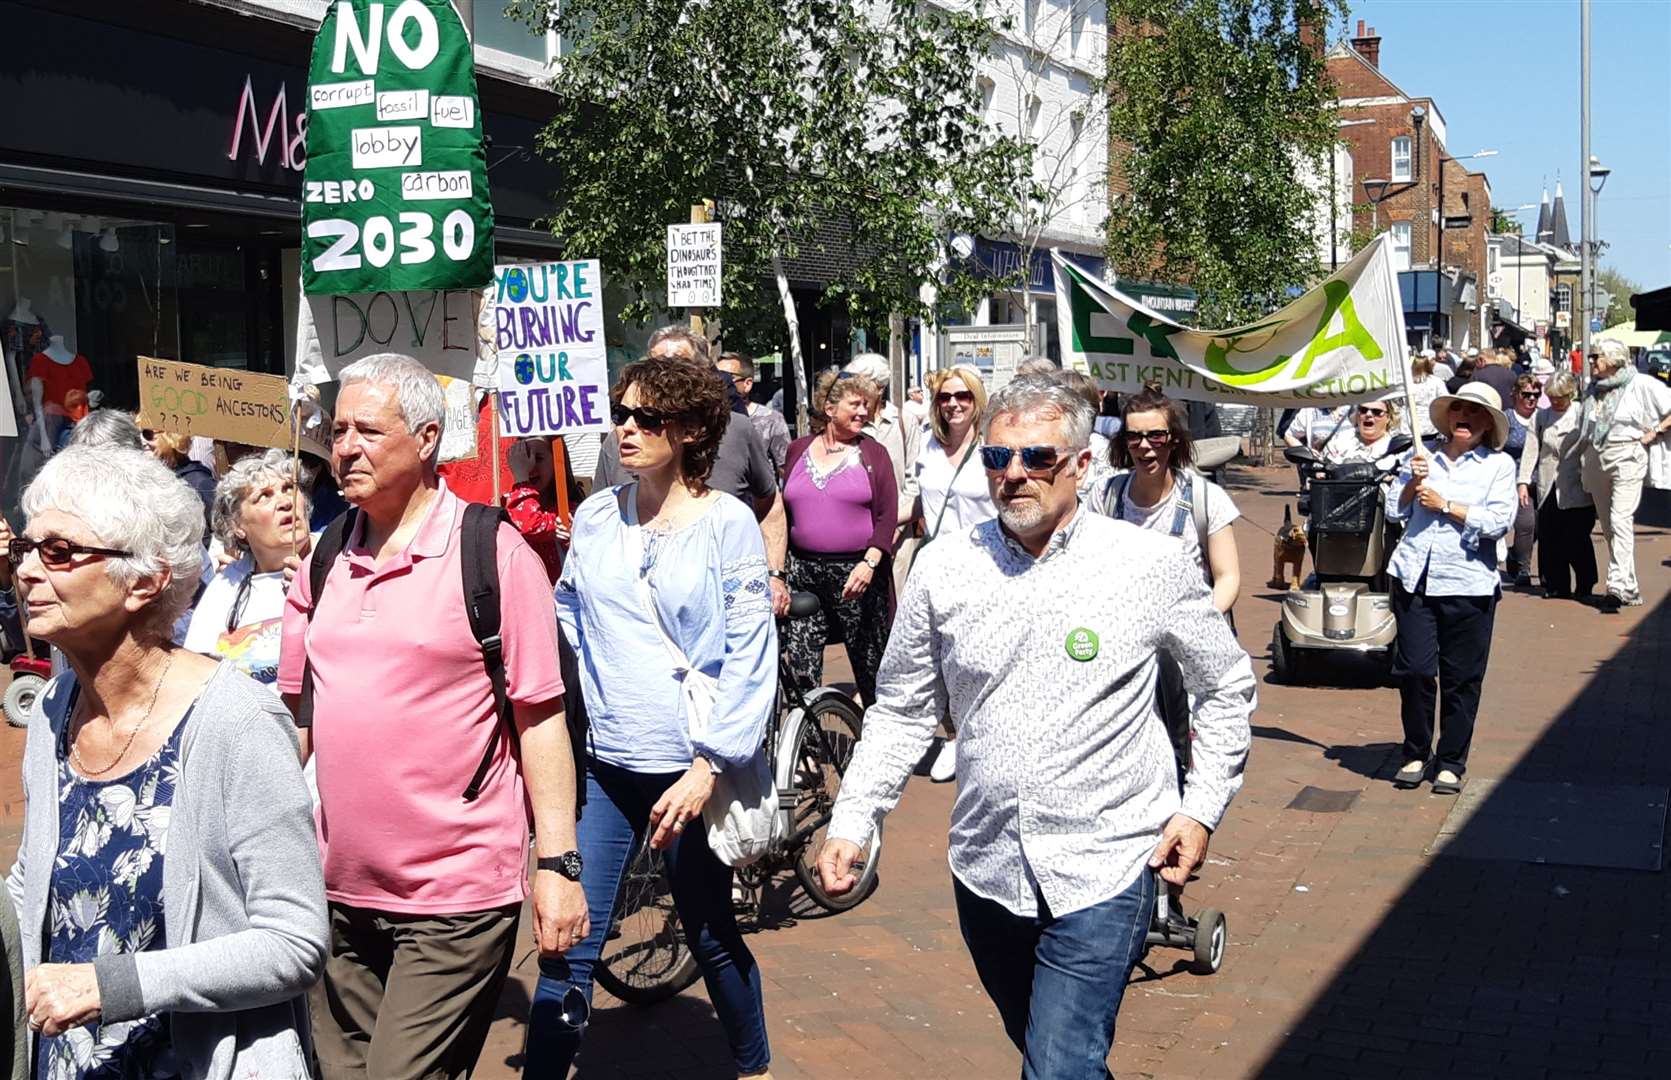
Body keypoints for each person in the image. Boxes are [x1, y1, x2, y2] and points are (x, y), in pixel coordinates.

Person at [817, 376, 1254, 1080]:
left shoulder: (1148, 563)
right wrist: (852, 819)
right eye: (996, 460)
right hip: (987, 867)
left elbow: (1225, 686)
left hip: (1110, 861)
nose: (1013, 474)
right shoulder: (944, 568)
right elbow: (900, 707)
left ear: (1082, 465)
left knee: (1056, 1067)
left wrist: (1200, 809)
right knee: (1053, 1054)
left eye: (1037, 457)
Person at [275, 353, 586, 1079]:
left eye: (366, 430)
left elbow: (541, 719)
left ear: (424, 438)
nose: (343, 445)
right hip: (336, 890)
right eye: (337, 428)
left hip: (455, 895)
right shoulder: (322, 557)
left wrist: (557, 865)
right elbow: (295, 718)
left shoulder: (493, 551)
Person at [6, 446, 326, 1079]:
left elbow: (295, 942)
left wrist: (113, 985)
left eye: (60, 552)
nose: (27, 573)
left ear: (145, 580)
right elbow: (33, 880)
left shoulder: (239, 723)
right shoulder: (53, 707)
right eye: (26, 548)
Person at [533, 354, 778, 1078]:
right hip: (608, 765)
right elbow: (569, 606)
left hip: (687, 770)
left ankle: (752, 1063)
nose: (627, 429)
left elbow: (748, 650)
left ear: (692, 429)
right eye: (622, 413)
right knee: (568, 942)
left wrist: (709, 766)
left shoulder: (725, 523)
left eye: (648, 418)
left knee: (708, 935)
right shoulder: (601, 513)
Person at [1385, 383, 1517, 795]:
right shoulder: (1423, 456)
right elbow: (1394, 508)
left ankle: (1451, 761)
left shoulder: (1498, 466)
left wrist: (1446, 505)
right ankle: (1416, 751)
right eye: (1460, 409)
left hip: (1469, 583)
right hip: (1416, 577)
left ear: (1489, 426)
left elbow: (1497, 522)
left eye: (1477, 413)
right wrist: (1411, 483)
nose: (1466, 417)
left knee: (1462, 678)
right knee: (1416, 670)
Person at [774, 370, 898, 708]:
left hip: (857, 575)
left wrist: (870, 564)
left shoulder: (874, 454)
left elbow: (887, 517)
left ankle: (879, 739)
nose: (863, 412)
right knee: (800, 666)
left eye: (867, 406)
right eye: (855, 404)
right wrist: (779, 573)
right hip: (803, 572)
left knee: (871, 666)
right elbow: (783, 514)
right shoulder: (798, 449)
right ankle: (809, 746)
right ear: (829, 408)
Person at [906, 365, 993, 784]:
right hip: (936, 564)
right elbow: (921, 501)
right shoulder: (928, 445)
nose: (954, 404)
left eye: (962, 396)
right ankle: (955, 736)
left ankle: (980, 736)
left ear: (977, 401)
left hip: (984, 565)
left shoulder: (992, 447)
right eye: (945, 397)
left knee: (977, 656)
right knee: (937, 658)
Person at [1093, 388, 1241, 614]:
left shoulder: (1207, 499)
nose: (1144, 445)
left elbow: (1227, 577)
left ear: (1174, 440)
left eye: (1156, 436)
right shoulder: (1105, 496)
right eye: (1134, 437)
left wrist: (1199, 620)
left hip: (1190, 631)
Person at [185, 449, 310, 685]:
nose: (285, 502)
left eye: (289, 488)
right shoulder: (225, 585)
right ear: (237, 525)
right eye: (264, 496)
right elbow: (198, 670)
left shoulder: (338, 561)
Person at [1581, 339, 1671, 609]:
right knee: (1609, 525)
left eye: (1596, 356)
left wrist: (1654, 433)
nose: (1591, 361)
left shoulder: (1641, 384)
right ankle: (1629, 586)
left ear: (1613, 359)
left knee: (1621, 519)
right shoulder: (1593, 389)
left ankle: (1616, 586)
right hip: (1597, 455)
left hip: (1628, 454)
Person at [1518, 371, 1595, 599]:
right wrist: (1523, 481)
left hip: (1577, 482)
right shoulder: (1541, 417)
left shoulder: (1582, 414)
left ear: (1571, 393)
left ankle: (1585, 583)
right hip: (1548, 482)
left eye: (1559, 397)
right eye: (1551, 397)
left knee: (1577, 537)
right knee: (1551, 537)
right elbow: (1531, 450)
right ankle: (1556, 584)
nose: (1554, 401)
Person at [505, 437, 584, 584]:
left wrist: (522, 480)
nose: (531, 466)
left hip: (557, 597)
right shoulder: (507, 504)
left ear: (556, 461)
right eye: (524, 459)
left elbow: (532, 525)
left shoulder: (569, 510)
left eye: (539, 458)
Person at [718, 352, 791, 479]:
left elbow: (785, 468)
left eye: (727, 377)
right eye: (715, 376)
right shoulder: (706, 418)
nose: (718, 382)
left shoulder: (771, 419)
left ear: (747, 383)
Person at [1502, 374, 1543, 586]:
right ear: (1516, 395)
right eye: (1526, 394)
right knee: (1526, 524)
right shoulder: (1506, 419)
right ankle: (1523, 570)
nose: (1531, 399)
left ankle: (1515, 555)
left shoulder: (1543, 418)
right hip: (1514, 481)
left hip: (1541, 481)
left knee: (1539, 528)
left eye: (1536, 395)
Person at [141, 428, 215, 526]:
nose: (143, 442)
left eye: (148, 434)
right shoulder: (151, 480)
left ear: (171, 437)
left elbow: (223, 531)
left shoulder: (199, 481)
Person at [1320, 399, 1401, 465]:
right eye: (1363, 410)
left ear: (1388, 417)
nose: (1368, 414)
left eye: (1376, 412)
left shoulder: (1396, 446)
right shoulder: (1340, 439)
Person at [1282, 402, 1352, 451]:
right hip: (1321, 469)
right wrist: (1308, 453)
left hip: (1353, 469)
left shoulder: (1356, 409)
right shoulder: (1309, 411)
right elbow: (1289, 435)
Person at [1407, 353, 1444, 438]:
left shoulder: (1405, 383)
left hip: (1408, 426)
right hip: (1429, 426)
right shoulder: (1436, 381)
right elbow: (1443, 400)